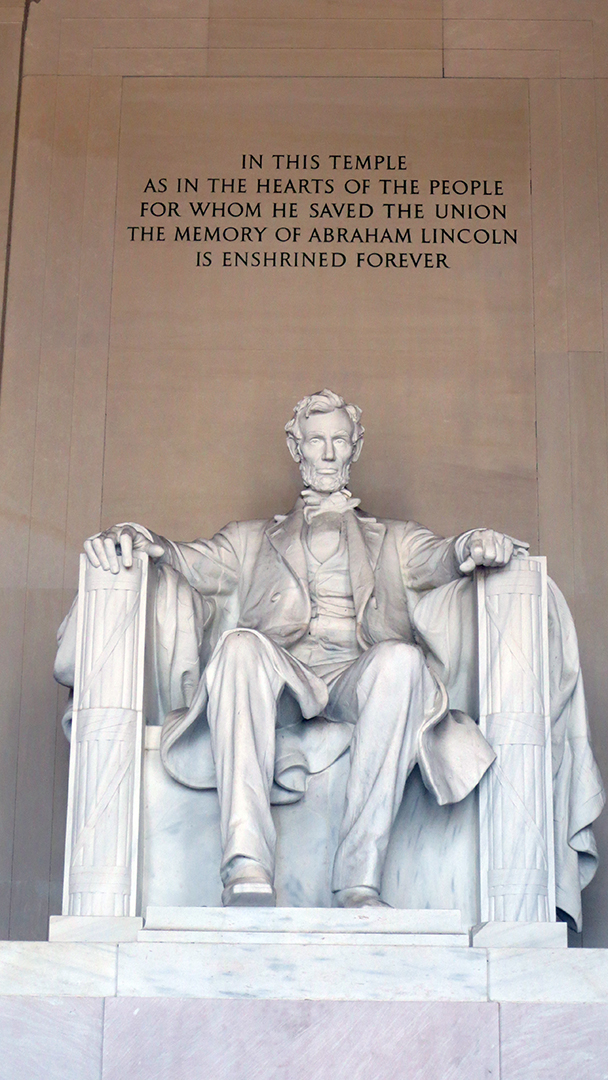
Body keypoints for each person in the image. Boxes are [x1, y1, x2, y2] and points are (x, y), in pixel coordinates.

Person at [76, 389, 531, 909]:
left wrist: (473, 542)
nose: (329, 454)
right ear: (297, 448)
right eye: (316, 441)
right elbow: (182, 559)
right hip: (282, 678)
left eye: (340, 440)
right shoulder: (249, 540)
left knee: (403, 660)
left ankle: (359, 880)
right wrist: (135, 535)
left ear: (357, 446)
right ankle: (246, 865)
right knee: (239, 646)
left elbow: (442, 557)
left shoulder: (395, 539)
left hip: (357, 676)